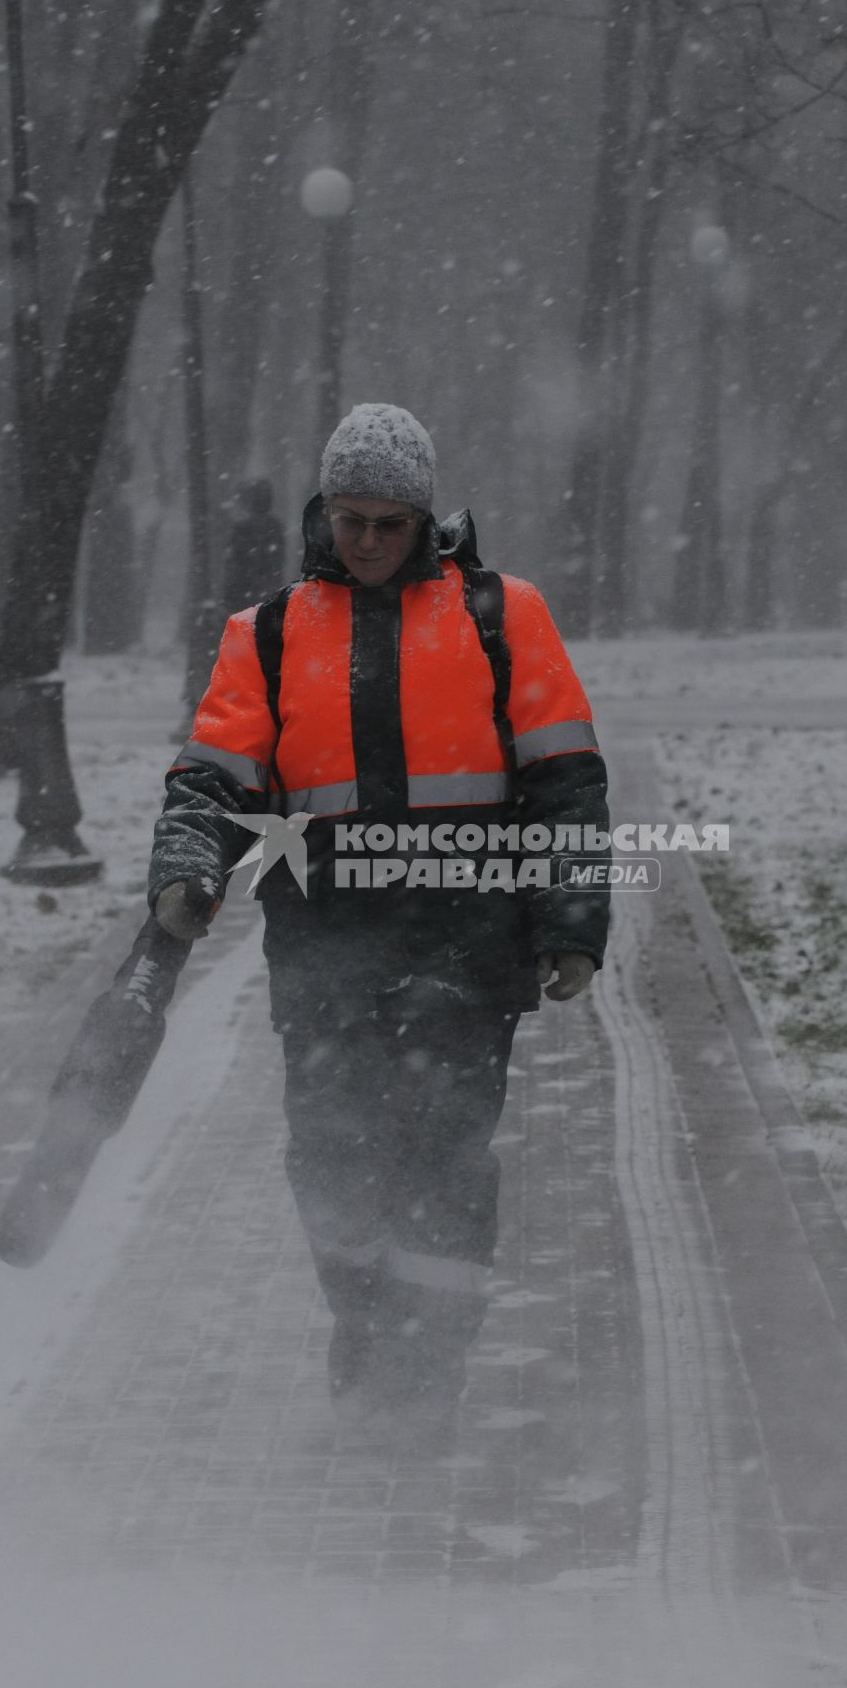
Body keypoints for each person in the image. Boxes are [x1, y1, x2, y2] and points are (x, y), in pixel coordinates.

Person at [147, 403, 609, 1445]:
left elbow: (567, 781)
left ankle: (424, 1374)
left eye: (387, 522)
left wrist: (571, 918)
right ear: (323, 512)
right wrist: (186, 872)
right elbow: (212, 781)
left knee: (444, 1159)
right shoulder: (265, 635)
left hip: (468, 943)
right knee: (333, 1160)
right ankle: (363, 1334)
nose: (364, 541)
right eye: (348, 518)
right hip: (325, 949)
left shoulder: (502, 616)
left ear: (424, 519)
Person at [221, 477, 287, 614]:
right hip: (264, 591)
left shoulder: (241, 528)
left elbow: (233, 563)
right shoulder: (275, 527)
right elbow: (278, 562)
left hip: (244, 591)